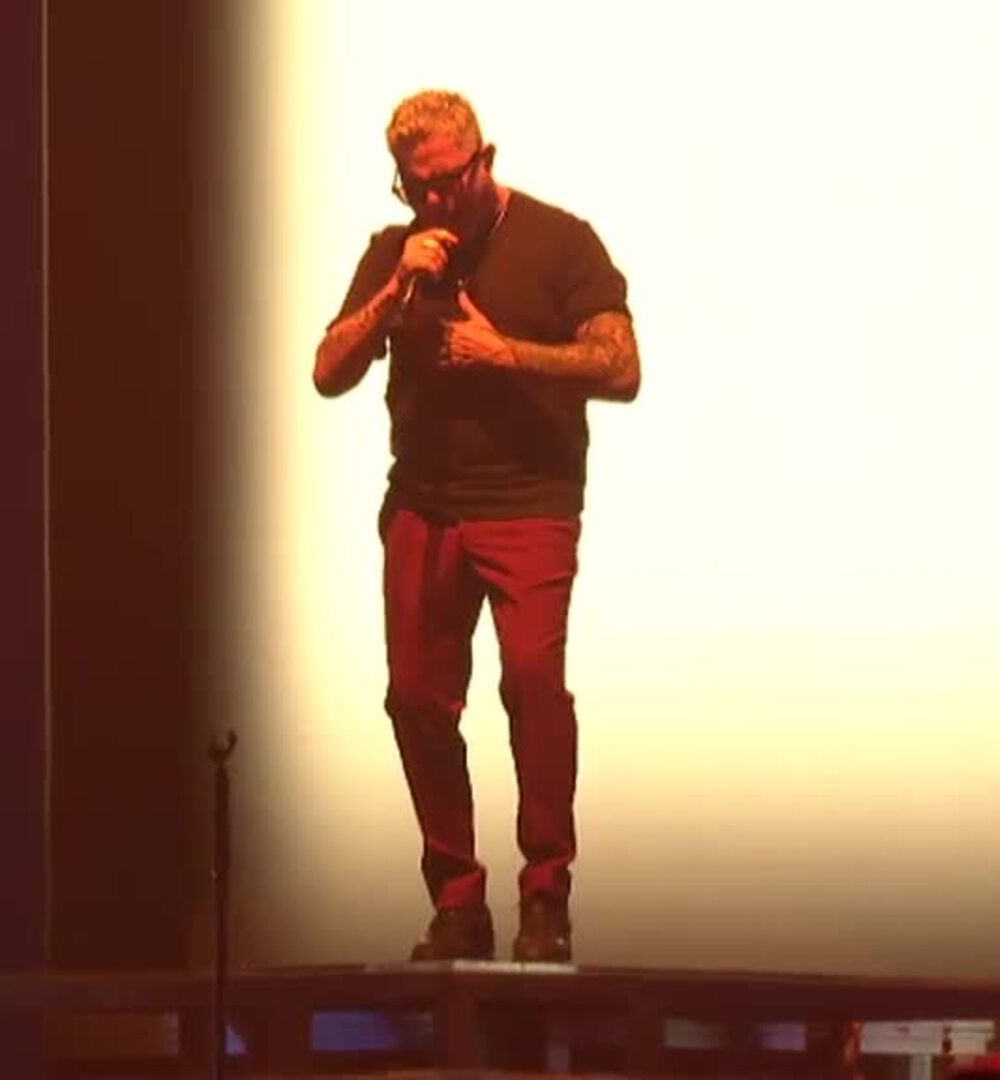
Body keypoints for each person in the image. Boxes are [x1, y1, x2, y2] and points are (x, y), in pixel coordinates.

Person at [313, 89, 639, 964]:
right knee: (416, 699)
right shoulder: (397, 253)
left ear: (482, 160)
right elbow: (328, 370)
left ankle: (546, 894)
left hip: (530, 502)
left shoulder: (560, 242)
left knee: (533, 684)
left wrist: (506, 354)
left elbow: (621, 366)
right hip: (424, 505)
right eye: (412, 186)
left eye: (444, 182)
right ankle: (458, 901)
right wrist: (395, 289)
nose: (430, 200)